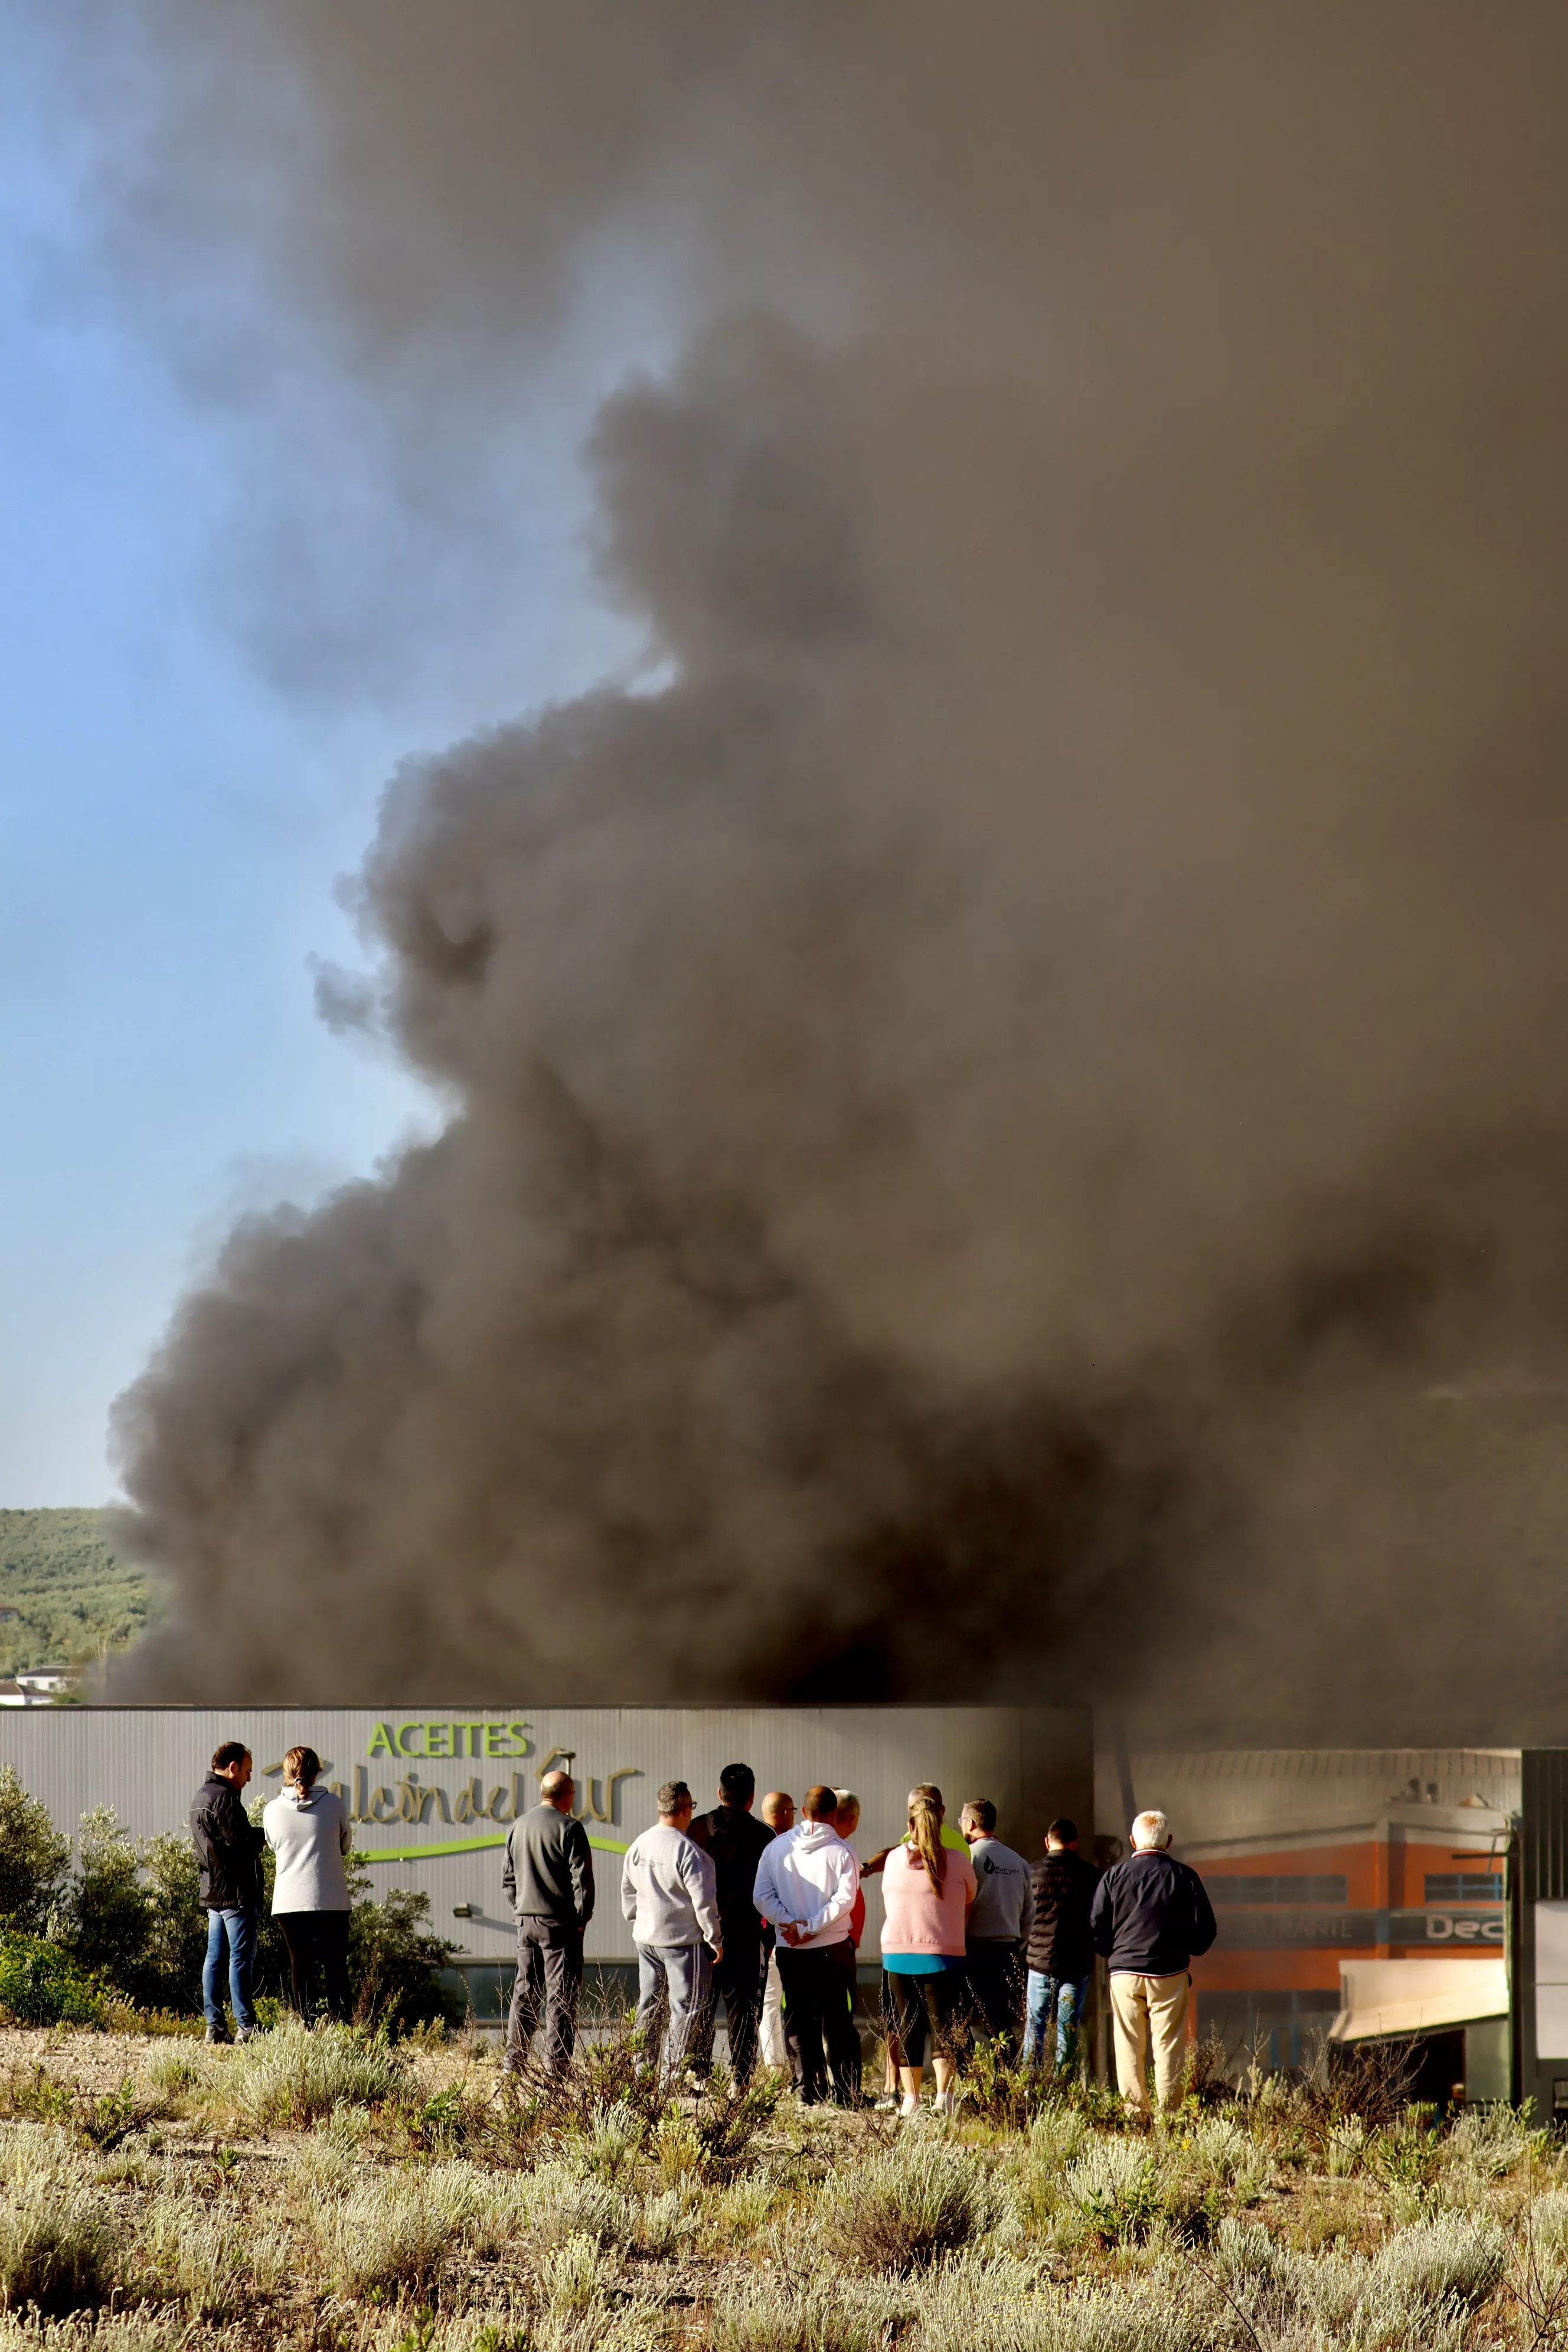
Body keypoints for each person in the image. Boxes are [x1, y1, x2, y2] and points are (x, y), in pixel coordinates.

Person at [1090, 1808, 1217, 2113]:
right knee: (1169, 2047)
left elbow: (1096, 1924)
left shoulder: (1113, 1877)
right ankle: (1169, 2117)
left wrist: (1116, 1954)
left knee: (1129, 2046)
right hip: (1169, 1973)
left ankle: (1136, 2118)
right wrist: (1186, 1953)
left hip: (1124, 1974)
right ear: (1169, 1841)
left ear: (1133, 1841)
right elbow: (1207, 1930)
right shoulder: (1185, 1877)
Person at [752, 1783, 861, 2106]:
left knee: (798, 2018)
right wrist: (811, 1927)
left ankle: (806, 2090)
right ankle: (845, 2093)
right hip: (833, 1950)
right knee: (838, 2020)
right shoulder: (843, 1852)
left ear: (803, 1812)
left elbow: (761, 1897)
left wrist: (790, 1923)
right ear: (834, 1814)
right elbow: (846, 1900)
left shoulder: (777, 1848)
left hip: (790, 1949)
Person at [878, 1784, 976, 2118]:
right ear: (942, 1822)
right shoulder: (960, 1860)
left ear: (911, 1826)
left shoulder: (893, 1859)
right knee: (943, 2025)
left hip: (897, 1953)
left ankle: (910, 2100)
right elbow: (970, 1898)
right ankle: (944, 2100)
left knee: (909, 2025)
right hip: (944, 1954)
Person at [621, 1779, 722, 2085]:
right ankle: (670, 2075)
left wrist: (637, 1919)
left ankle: (643, 2070)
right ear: (684, 1810)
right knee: (687, 2008)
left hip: (646, 1938)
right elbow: (704, 1903)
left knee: (648, 2005)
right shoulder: (690, 1852)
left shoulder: (639, 1844)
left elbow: (628, 1890)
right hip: (682, 1942)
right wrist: (714, 1939)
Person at [501, 1765, 595, 2077]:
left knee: (525, 1992)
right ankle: (558, 2068)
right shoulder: (570, 1828)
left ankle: (513, 2064)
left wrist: (521, 1909)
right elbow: (582, 1882)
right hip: (559, 1925)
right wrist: (581, 1920)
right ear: (567, 1797)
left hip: (525, 1922)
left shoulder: (517, 1826)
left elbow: (508, 1878)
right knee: (560, 1995)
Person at [686, 1762, 775, 2083]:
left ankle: (698, 2074)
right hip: (746, 1933)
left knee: (702, 2005)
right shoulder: (765, 1836)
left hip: (701, 1933)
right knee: (743, 2009)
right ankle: (741, 2078)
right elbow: (771, 1889)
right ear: (751, 1798)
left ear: (719, 1793)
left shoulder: (695, 1829)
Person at [263, 1743, 353, 2025]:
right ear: (316, 1774)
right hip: (332, 1899)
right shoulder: (334, 1805)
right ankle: (343, 2025)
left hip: (289, 1902)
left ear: (287, 1774)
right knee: (335, 1965)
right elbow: (345, 1846)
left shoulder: (272, 1810)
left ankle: (308, 2024)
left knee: (300, 1964)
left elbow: (273, 1847)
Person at [189, 1739, 265, 2046]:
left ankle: (215, 2025)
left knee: (214, 1959)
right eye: (247, 1771)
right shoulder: (226, 1799)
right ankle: (246, 2025)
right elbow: (240, 1844)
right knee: (240, 1960)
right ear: (233, 1768)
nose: (249, 1778)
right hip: (236, 1894)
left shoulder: (200, 1797)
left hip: (213, 1893)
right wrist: (263, 1835)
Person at [1024, 1816, 1099, 2074]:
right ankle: (1063, 2090)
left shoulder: (1032, 1872)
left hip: (1040, 1963)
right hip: (1076, 1965)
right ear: (1075, 1843)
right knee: (1068, 2029)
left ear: (1047, 1842)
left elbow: (1023, 1916)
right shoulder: (1092, 1876)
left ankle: (1029, 2088)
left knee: (1035, 2027)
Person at [959, 1798, 1034, 2046]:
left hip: (973, 1949)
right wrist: (1017, 1945)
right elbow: (1029, 1914)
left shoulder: (966, 1858)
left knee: (957, 2019)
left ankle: (973, 2075)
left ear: (970, 1823)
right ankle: (1006, 2077)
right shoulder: (1019, 1862)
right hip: (1008, 1949)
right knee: (1000, 2021)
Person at [757, 1790, 795, 2073]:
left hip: (765, 1934)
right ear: (784, 1814)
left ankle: (776, 2068)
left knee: (769, 2001)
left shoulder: (757, 1840)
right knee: (794, 1997)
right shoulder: (789, 1846)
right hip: (786, 1933)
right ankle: (799, 2065)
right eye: (792, 1810)